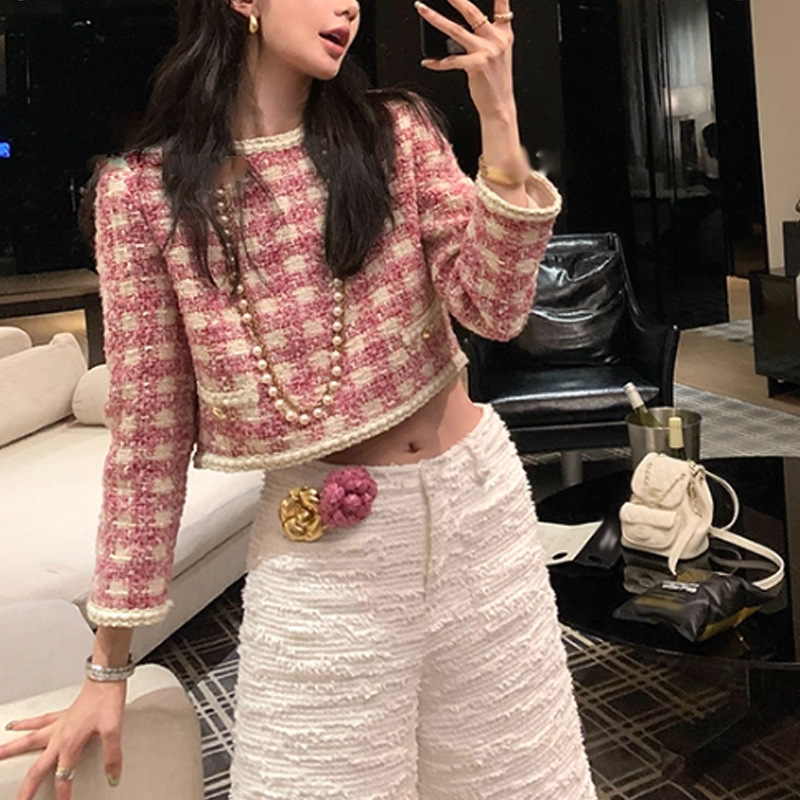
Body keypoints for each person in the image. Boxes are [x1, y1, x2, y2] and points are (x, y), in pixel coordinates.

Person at [0, 0, 598, 798]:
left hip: (480, 511)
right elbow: (148, 440)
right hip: (323, 546)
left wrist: (501, 119)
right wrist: (106, 669)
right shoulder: (142, 196)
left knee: (524, 780)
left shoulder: (395, 134)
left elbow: (493, 309)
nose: (348, 5)